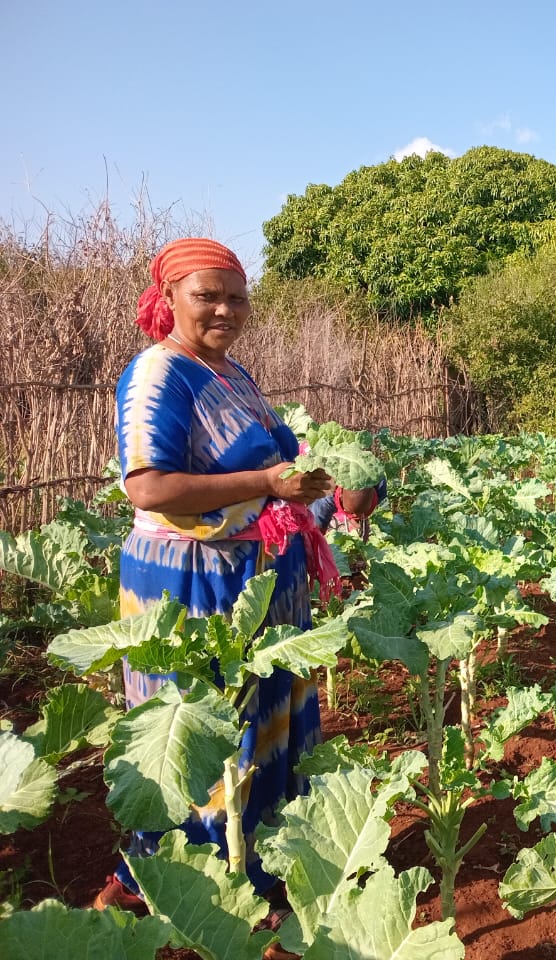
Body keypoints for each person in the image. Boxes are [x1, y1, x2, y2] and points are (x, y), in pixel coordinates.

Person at [95, 238, 336, 957]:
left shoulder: (233, 374)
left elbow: (279, 461)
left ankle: (256, 871)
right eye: (207, 295)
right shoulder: (157, 373)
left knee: (261, 729)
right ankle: (164, 883)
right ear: (168, 297)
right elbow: (149, 487)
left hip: (257, 578)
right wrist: (266, 484)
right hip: (191, 582)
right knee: (201, 731)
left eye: (236, 296)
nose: (225, 309)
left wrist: (324, 484)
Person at [309, 476, 389, 535]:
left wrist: (363, 519)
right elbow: (315, 532)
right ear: (341, 497)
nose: (356, 515)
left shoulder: (380, 485)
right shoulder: (326, 497)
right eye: (352, 512)